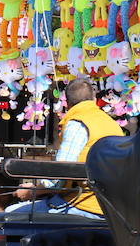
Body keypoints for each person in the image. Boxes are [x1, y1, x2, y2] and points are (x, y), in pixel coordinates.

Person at [8, 77, 123, 218]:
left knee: (10, 215)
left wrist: (33, 191)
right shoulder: (112, 124)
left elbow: (59, 176)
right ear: (93, 100)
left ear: (67, 104)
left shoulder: (77, 124)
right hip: (113, 208)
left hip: (83, 205)